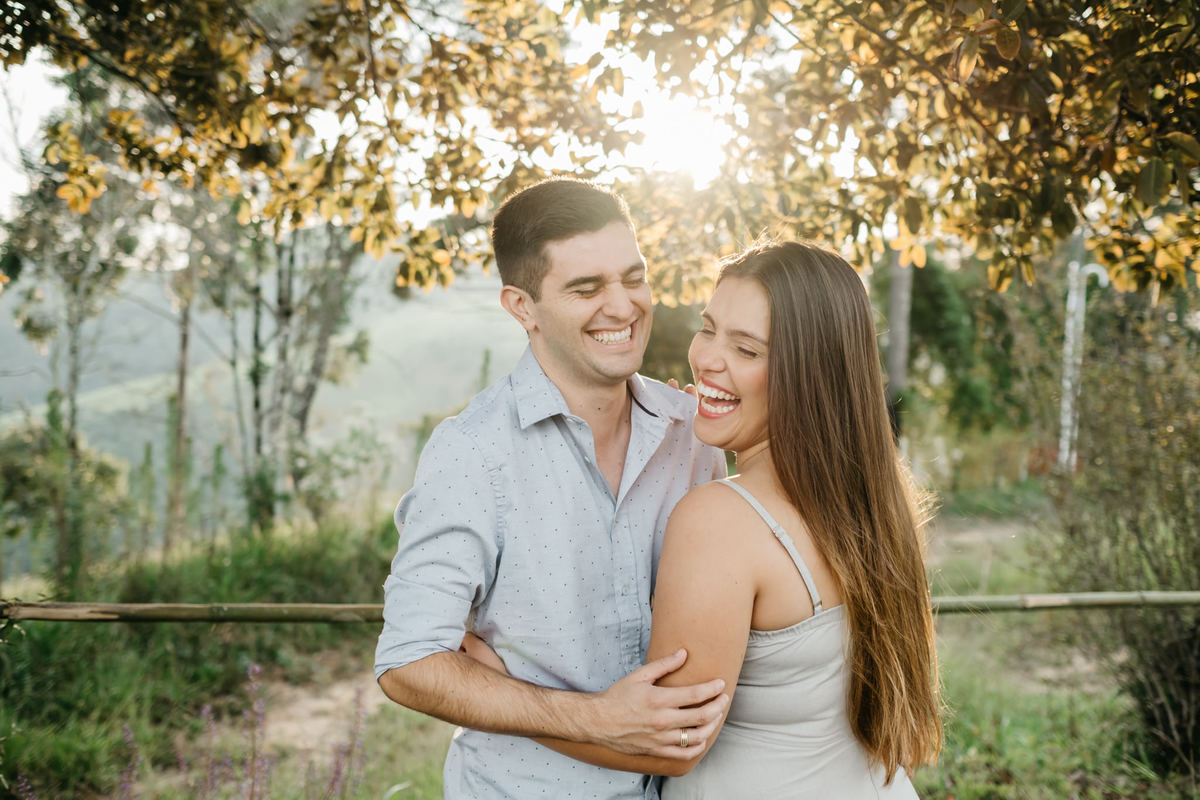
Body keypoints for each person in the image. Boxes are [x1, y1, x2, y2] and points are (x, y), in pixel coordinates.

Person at [465, 240, 942, 796]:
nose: (707, 358)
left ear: (810, 374)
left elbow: (668, 742)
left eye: (746, 349)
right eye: (708, 328)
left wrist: (501, 693)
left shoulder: (719, 520)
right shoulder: (873, 505)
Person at [374, 177, 729, 799]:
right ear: (522, 307)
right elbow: (408, 663)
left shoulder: (691, 434)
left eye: (633, 278)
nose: (622, 307)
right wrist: (594, 719)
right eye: (586, 288)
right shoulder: (472, 452)